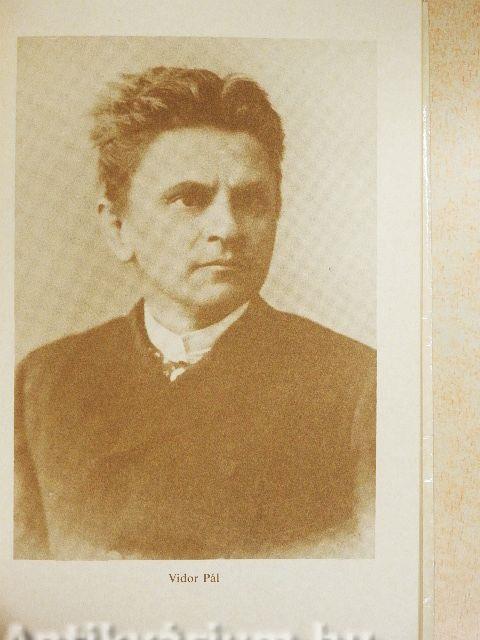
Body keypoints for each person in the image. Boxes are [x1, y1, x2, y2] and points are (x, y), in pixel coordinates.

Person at [14, 66, 376, 560]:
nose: (227, 228)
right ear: (118, 227)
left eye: (251, 200)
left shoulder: (356, 385)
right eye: (189, 199)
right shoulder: (43, 385)